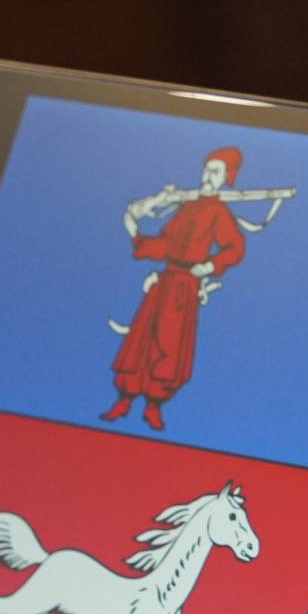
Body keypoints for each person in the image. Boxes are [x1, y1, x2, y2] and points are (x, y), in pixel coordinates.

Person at [103, 147, 246, 430]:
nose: (208, 175)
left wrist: (209, 266)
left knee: (169, 347)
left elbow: (235, 248)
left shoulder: (219, 212)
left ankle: (154, 406)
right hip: (165, 281)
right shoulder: (187, 206)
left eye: (215, 171)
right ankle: (124, 400)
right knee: (142, 341)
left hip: (185, 287)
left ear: (226, 177)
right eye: (207, 169)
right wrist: (137, 236)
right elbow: (166, 242)